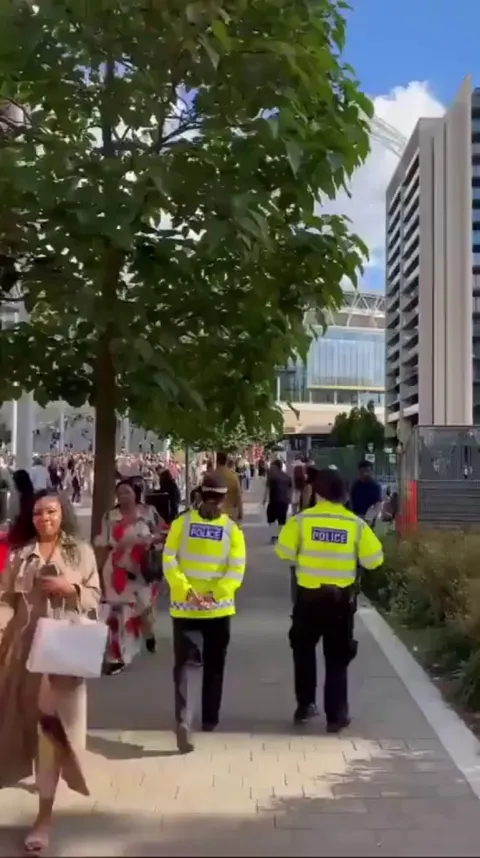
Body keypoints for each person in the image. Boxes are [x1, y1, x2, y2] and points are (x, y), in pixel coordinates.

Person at [0, 490, 100, 853]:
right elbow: (6, 600)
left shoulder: (80, 552)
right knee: (16, 728)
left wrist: (70, 588)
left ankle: (44, 817)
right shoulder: (19, 555)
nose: (45, 518)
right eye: (39, 513)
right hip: (20, 655)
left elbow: (94, 598)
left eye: (52, 512)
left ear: (63, 513)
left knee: (50, 735)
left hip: (61, 654)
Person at [275, 468, 383, 732]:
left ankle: (305, 705)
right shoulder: (355, 524)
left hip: (308, 599)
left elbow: (284, 553)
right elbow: (374, 560)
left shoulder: (301, 521)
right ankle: (335, 717)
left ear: (319, 494)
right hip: (340, 602)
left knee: (303, 652)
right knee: (337, 658)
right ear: (344, 495)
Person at [162, 473, 246, 754]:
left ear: (199, 494)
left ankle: (184, 719)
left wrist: (186, 591)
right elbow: (236, 570)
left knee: (185, 666)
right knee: (215, 666)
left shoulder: (181, 524)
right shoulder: (232, 531)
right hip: (219, 611)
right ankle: (210, 718)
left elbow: (169, 559)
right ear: (223, 498)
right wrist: (215, 594)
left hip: (185, 608)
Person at [94, 478, 167, 675]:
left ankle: (148, 634)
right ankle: (116, 656)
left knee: (143, 611)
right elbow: (102, 543)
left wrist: (151, 541)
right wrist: (97, 572)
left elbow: (165, 532)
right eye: (120, 492)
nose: (123, 496)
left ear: (136, 493)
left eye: (127, 492)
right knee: (118, 614)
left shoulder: (148, 513)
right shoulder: (110, 516)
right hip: (116, 570)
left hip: (143, 570)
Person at [263, 458, 292, 543]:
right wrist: (289, 499)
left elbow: (267, 489)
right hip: (284, 501)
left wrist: (264, 500)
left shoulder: (272, 477)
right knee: (282, 519)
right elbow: (289, 489)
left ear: (276, 467)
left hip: (274, 500)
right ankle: (281, 535)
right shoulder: (287, 476)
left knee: (271, 518)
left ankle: (274, 536)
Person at [211, 452, 243, 523]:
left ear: (217, 461)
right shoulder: (233, 476)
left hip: (213, 514)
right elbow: (238, 496)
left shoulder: (212, 476)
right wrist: (240, 513)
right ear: (226, 461)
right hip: (229, 514)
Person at [349, 460, 382, 525]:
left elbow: (378, 504)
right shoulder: (355, 485)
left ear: (371, 472)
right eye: (362, 472)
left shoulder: (375, 486)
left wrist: (371, 516)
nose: (365, 474)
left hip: (370, 516)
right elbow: (351, 501)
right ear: (359, 472)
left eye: (367, 471)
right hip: (357, 516)